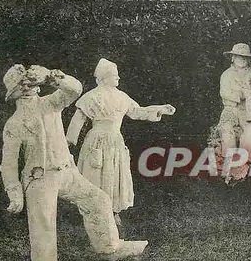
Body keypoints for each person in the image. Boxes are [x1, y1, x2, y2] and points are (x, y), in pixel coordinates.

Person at [0, 64, 148, 261]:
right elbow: (9, 163)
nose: (28, 87)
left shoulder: (50, 104)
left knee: (98, 200)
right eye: (22, 84)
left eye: (30, 82)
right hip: (39, 178)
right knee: (44, 222)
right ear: (15, 92)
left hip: (67, 172)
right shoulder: (14, 123)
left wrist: (51, 77)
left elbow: (75, 89)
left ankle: (109, 249)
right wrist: (14, 192)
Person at [66, 58, 175, 226]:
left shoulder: (121, 97)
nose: (118, 78)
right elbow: (77, 121)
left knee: (114, 174)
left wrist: (159, 109)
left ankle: (112, 211)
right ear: (104, 77)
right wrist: (68, 144)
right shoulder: (92, 97)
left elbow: (136, 111)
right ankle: (94, 212)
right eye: (114, 76)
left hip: (115, 140)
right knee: (96, 173)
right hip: (96, 140)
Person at [211, 43, 251, 183]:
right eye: (238, 57)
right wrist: (239, 95)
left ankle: (246, 167)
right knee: (227, 131)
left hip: (246, 110)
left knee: (250, 132)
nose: (242, 60)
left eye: (244, 57)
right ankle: (227, 167)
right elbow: (224, 93)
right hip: (230, 109)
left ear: (248, 59)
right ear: (232, 58)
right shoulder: (227, 75)